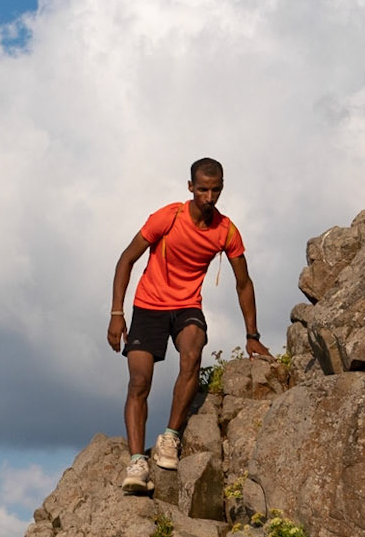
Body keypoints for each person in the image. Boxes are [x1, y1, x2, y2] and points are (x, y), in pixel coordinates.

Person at [108, 157, 271, 494]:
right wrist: (116, 313)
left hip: (186, 306)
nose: (209, 198)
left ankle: (170, 438)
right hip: (149, 305)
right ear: (190, 187)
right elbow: (126, 258)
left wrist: (252, 335)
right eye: (202, 190)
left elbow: (244, 283)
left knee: (193, 350)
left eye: (216, 190)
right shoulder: (168, 217)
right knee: (139, 381)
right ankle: (137, 462)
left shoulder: (226, 230)